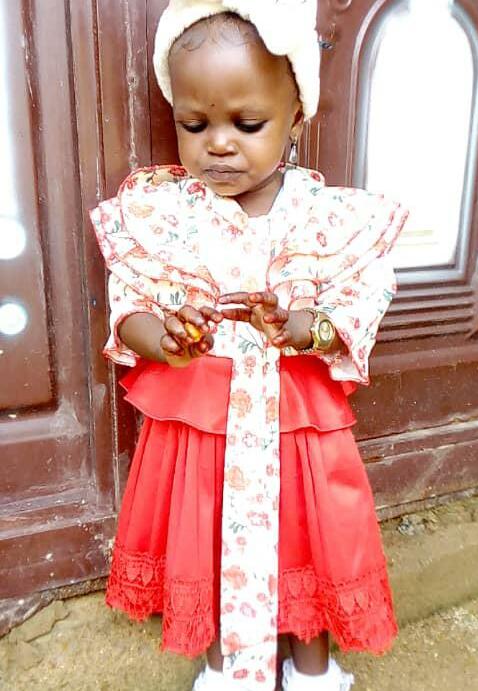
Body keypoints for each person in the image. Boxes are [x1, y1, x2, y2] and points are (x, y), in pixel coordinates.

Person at [90, 1, 409, 689]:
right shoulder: (165, 214)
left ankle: (313, 669)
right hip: (203, 428)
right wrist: (164, 338)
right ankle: (226, 668)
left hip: (297, 424)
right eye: (195, 124)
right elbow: (130, 304)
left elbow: (366, 291)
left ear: (297, 118)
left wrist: (309, 325)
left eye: (248, 123)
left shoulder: (326, 217)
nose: (219, 144)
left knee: (305, 539)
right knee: (207, 538)